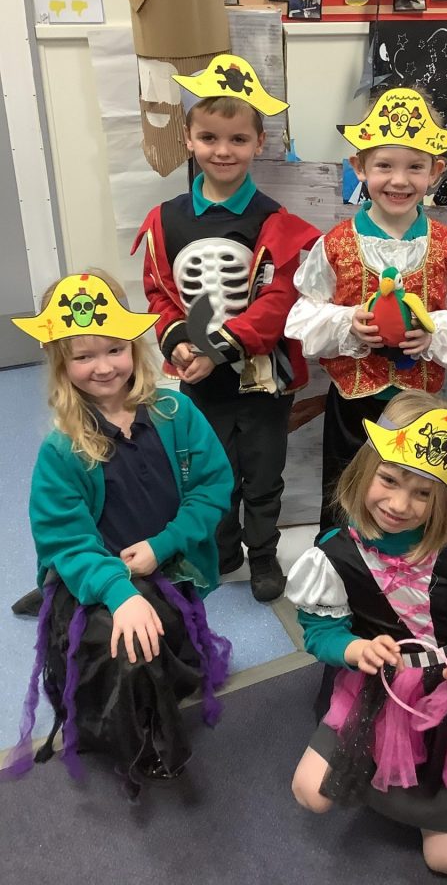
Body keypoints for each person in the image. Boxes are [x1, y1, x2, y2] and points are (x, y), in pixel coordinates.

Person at [286, 391, 447, 875]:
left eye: (423, 493)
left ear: (446, 495)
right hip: (382, 690)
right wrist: (352, 648)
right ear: (366, 469)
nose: (399, 504)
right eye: (388, 480)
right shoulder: (334, 555)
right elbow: (319, 631)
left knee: (446, 861)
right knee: (310, 792)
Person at [3, 272, 233, 794]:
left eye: (114, 350)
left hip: (166, 560)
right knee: (127, 647)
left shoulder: (177, 413)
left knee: (168, 643)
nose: (104, 367)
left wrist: (162, 545)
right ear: (61, 364)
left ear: (134, 346)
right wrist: (118, 592)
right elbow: (66, 538)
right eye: (84, 357)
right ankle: (138, 740)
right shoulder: (62, 449)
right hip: (104, 569)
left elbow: (212, 487)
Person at [132, 54, 319, 602]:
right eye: (209, 137)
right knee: (209, 470)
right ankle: (221, 548)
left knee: (263, 472)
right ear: (188, 139)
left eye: (238, 139)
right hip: (199, 372)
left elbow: (279, 300)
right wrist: (179, 343)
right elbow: (159, 291)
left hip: (263, 376)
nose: (223, 150)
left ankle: (262, 555)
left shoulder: (275, 221)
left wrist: (219, 347)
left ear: (259, 143)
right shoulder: (166, 219)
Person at [284, 86, 447, 532]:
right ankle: (339, 561)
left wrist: (433, 333)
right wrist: (348, 323)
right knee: (345, 491)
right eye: (384, 166)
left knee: (412, 498)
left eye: (415, 167)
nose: (399, 180)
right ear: (359, 167)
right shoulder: (334, 245)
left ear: (435, 171)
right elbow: (303, 315)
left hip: (420, 409)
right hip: (353, 406)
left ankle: (407, 563)